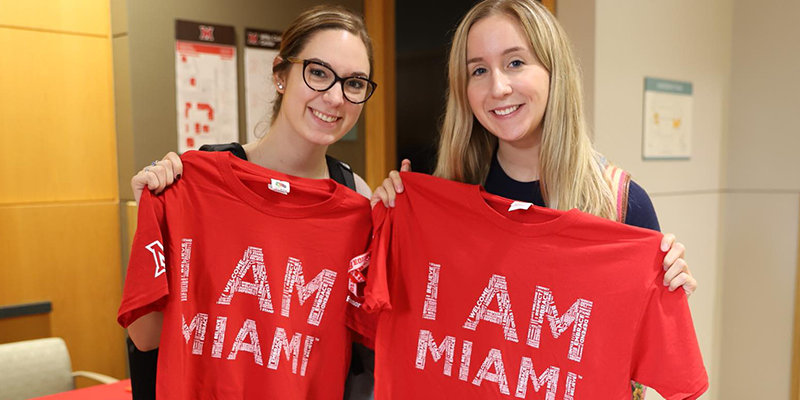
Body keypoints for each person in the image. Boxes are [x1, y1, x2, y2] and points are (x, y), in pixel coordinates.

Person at [368, 0, 695, 398]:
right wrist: (391, 218)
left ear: (553, 71)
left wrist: (666, 288)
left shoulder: (621, 204)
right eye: (479, 70)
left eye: (516, 63)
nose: (498, 87)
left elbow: (652, 369)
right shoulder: (442, 197)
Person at [126, 5, 376, 400]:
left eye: (355, 83)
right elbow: (146, 337)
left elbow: (367, 351)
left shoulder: (359, 202)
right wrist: (152, 222)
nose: (335, 97)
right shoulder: (195, 180)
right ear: (281, 74)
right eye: (318, 73)